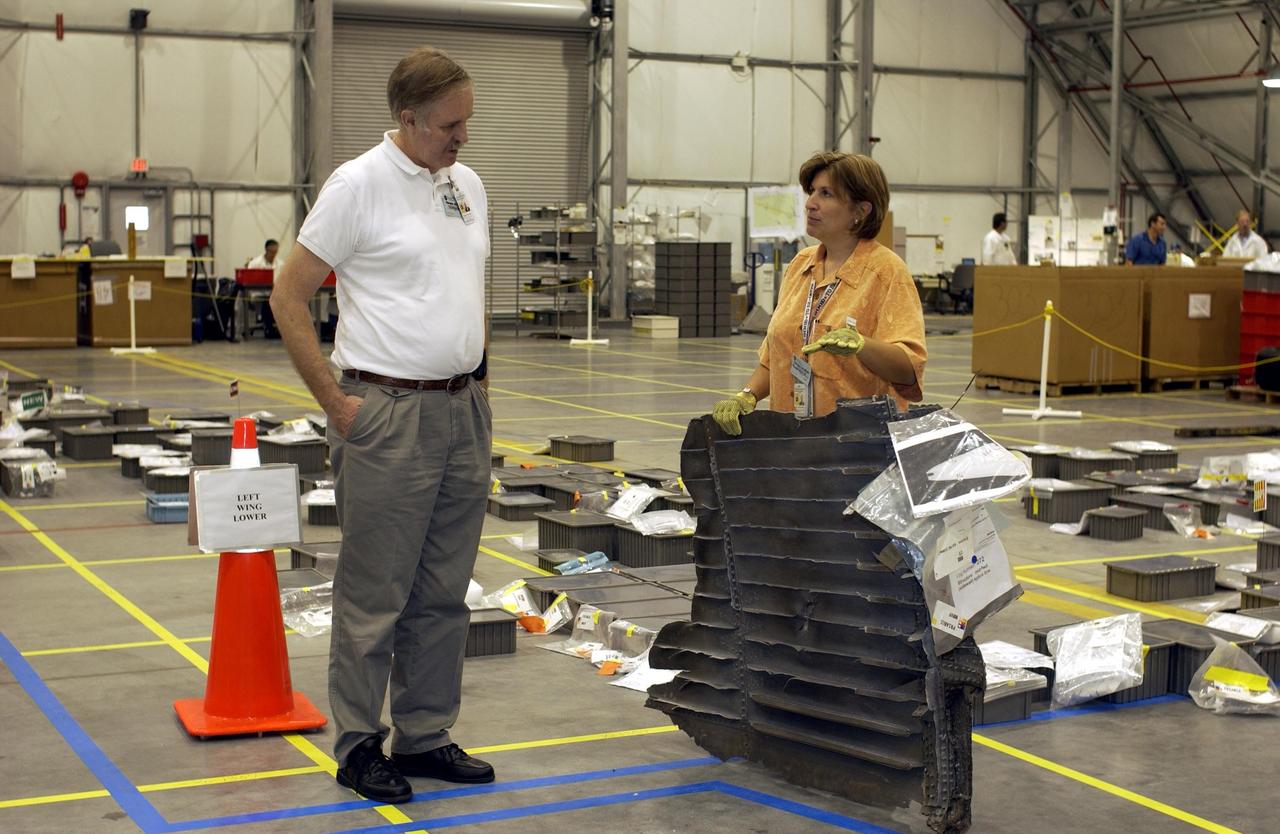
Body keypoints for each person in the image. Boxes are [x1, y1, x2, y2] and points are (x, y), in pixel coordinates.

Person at [270, 46, 493, 804]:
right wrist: (336, 404)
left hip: (464, 411)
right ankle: (360, 742)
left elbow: (469, 287)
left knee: (444, 591)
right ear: (407, 119)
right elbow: (288, 296)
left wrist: (480, 377)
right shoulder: (357, 186)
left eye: (468, 123)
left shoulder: (466, 186)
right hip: (387, 415)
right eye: (448, 126)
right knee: (376, 593)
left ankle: (425, 735)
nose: (462, 138)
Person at [712, 151, 926, 434]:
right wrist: (747, 395)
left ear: (861, 211)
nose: (810, 203)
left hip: (856, 446)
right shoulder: (800, 266)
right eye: (812, 192)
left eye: (826, 194)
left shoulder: (886, 272)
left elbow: (908, 369)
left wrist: (862, 344)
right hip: (790, 439)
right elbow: (774, 358)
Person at [246, 240, 284, 336]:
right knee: (268, 302)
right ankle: (269, 329)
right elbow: (249, 280)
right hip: (258, 293)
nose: (274, 254)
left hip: (275, 293)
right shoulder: (255, 263)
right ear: (267, 250)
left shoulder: (280, 264)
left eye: (276, 251)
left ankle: (278, 329)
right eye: (272, 251)